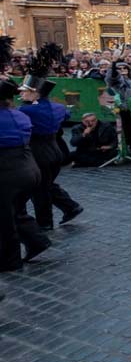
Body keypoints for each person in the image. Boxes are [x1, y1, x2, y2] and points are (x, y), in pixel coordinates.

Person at [18, 50, 84, 230]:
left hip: (39, 152)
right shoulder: (57, 107)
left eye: (25, 92)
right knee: (46, 184)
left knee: (40, 189)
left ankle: (45, 223)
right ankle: (70, 207)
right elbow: (67, 113)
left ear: (36, 93)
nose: (21, 94)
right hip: (56, 149)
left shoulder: (26, 110)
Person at [0, 74, 49, 272]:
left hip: (7, 169)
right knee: (17, 210)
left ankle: (10, 261)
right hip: (28, 167)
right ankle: (37, 241)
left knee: (4, 218)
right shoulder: (19, 114)